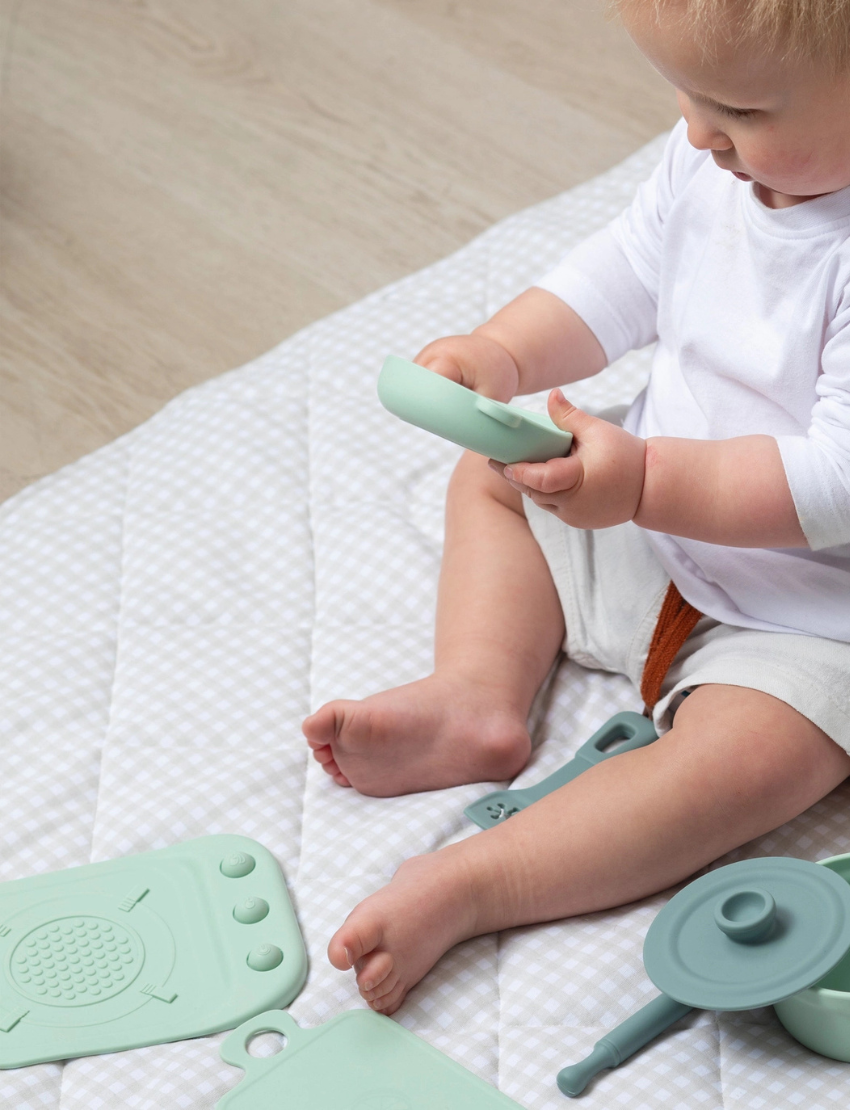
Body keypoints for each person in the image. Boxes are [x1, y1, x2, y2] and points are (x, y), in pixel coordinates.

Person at [303, 0, 850, 1016]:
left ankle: (486, 880)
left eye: (735, 104)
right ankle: (477, 693)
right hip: (652, 521)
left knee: (754, 762)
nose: (695, 130)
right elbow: (629, 270)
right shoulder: (714, 156)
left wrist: (644, 481)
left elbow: (832, 479)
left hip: (809, 615)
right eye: (682, 94)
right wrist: (503, 354)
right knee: (491, 479)